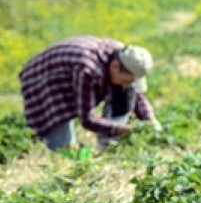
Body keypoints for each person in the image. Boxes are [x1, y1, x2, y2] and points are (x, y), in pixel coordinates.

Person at [18, 36, 160, 151]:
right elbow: (87, 119)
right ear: (115, 66)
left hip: (71, 70)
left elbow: (137, 95)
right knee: (63, 149)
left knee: (125, 93)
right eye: (125, 80)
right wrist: (123, 130)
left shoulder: (125, 57)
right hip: (44, 79)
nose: (127, 84)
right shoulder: (87, 70)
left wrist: (151, 121)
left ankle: (109, 147)